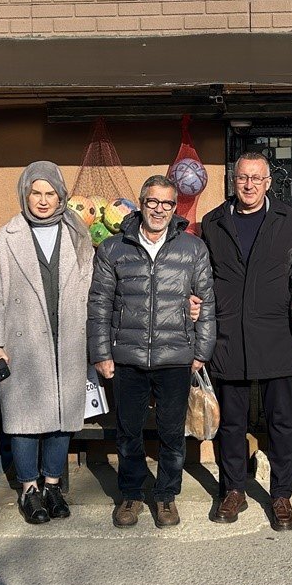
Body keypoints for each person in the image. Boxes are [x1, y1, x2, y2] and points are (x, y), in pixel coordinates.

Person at [87, 175, 216, 529]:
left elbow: (206, 302)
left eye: (167, 203)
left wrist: (202, 350)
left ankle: (166, 495)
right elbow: (99, 303)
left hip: (175, 356)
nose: (159, 209)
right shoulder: (113, 248)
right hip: (127, 356)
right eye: (152, 202)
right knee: (128, 432)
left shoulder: (193, 249)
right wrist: (101, 352)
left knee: (172, 434)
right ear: (141, 204)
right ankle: (131, 494)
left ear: (175, 208)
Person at [201, 152, 292, 531]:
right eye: (242, 178)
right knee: (231, 423)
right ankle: (234, 490)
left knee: (281, 422)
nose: (249, 185)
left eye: (256, 178)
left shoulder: (290, 220)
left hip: (277, 333)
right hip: (229, 334)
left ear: (268, 182)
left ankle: (281, 495)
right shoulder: (213, 221)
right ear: (234, 181)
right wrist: (196, 299)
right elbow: (203, 273)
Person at [0, 162, 94, 525]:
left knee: (63, 416)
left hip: (69, 337)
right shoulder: (8, 235)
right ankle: (29, 489)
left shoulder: (78, 234)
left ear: (61, 197)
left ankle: (53, 486)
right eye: (36, 193)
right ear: (25, 195)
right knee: (24, 419)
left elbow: (92, 289)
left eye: (50, 194)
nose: (43, 201)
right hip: (23, 341)